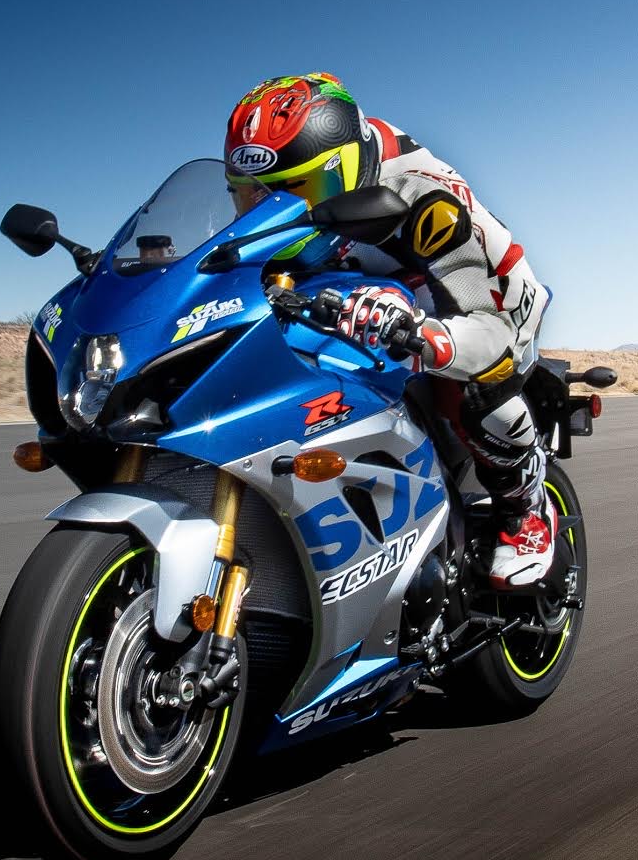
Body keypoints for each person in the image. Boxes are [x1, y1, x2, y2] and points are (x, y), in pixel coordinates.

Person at [223, 72, 556, 589]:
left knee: (476, 387)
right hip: (362, 276)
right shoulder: (322, 197)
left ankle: (526, 510)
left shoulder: (425, 198)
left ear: (346, 168)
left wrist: (425, 335)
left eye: (297, 192)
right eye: (251, 197)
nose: (276, 212)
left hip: (480, 295)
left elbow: (488, 330)